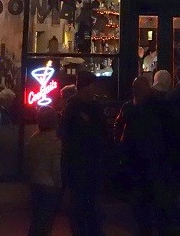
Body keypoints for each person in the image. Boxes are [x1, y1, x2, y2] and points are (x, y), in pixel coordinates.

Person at [115, 76, 167, 236]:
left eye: (138, 87)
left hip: (148, 160)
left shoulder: (149, 107)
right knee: (142, 201)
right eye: (134, 87)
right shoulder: (133, 107)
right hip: (139, 160)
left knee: (147, 200)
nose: (135, 90)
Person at [60, 71, 109, 236]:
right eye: (93, 85)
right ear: (86, 87)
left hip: (88, 165)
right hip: (80, 165)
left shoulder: (88, 107)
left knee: (89, 205)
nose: (95, 88)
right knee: (83, 206)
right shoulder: (74, 107)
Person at [26, 108, 63, 236]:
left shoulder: (34, 138)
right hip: (50, 185)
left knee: (36, 219)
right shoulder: (55, 142)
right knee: (46, 222)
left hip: (35, 182)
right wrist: (59, 184)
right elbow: (56, 168)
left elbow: (29, 161)